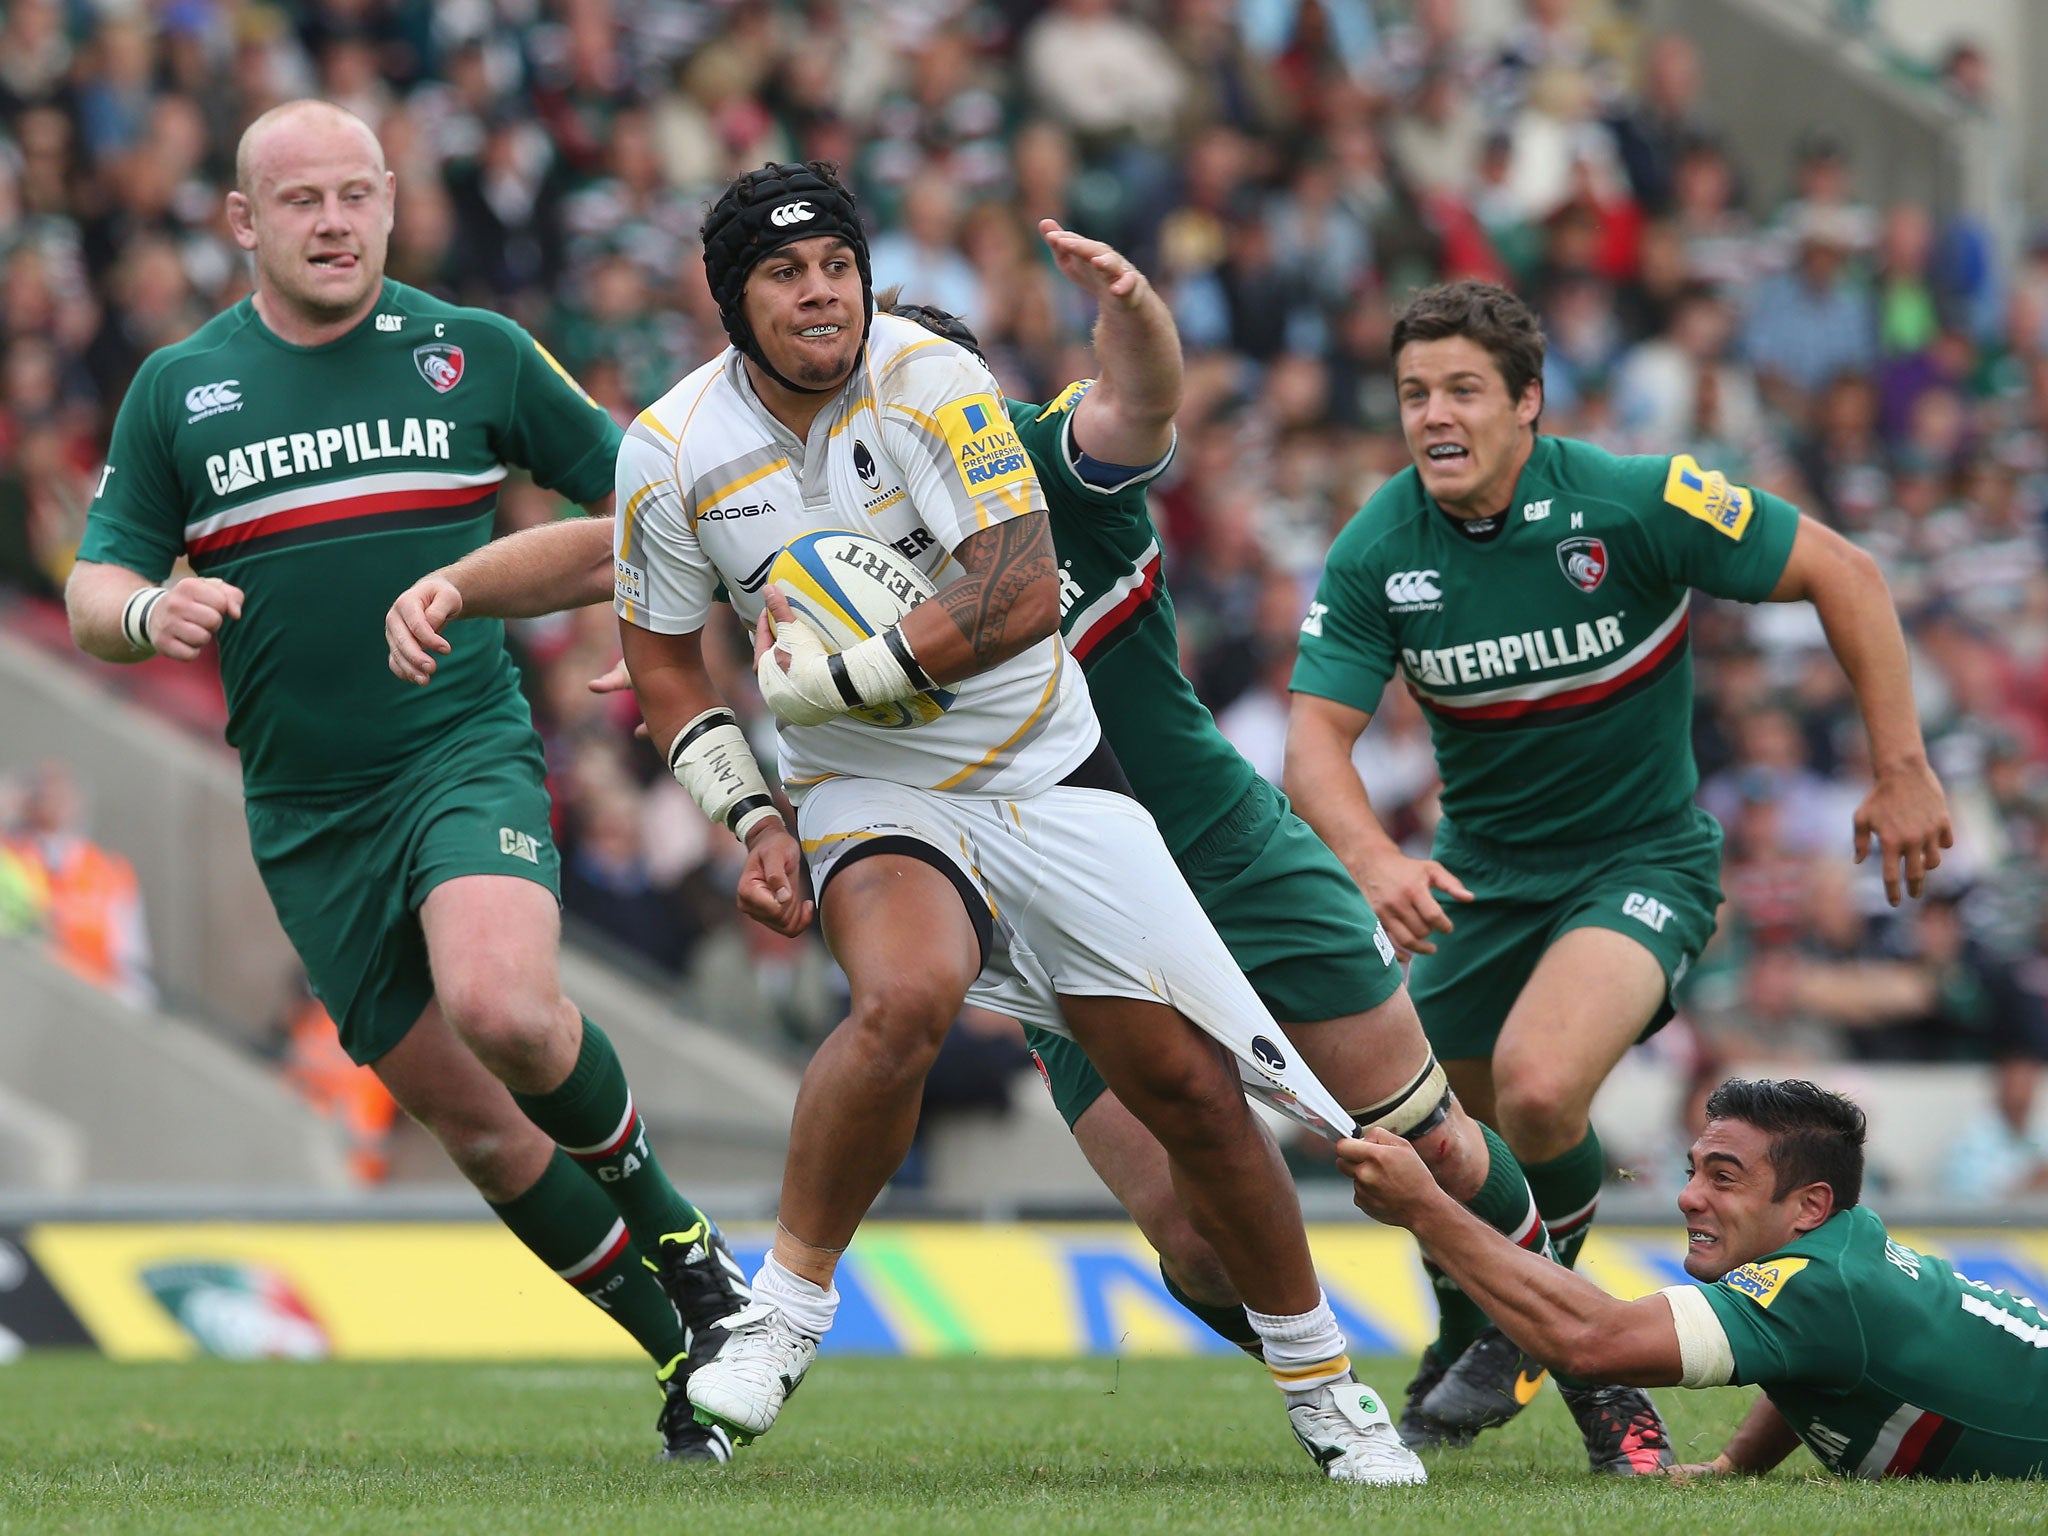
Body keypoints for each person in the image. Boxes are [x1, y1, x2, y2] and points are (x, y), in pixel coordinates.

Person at [388, 224, 1667, 1473]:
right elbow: (624, 544)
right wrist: (470, 584)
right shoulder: (791, 496)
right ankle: (1323, 1376)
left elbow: (1138, 402)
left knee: (1424, 1137)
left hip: (1207, 845)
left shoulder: (1043, 460)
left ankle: (1563, 1361)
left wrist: (1141, 317)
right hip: (965, 850)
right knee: (1187, 1238)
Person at [575, 158, 1417, 1482]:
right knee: (904, 1000)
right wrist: (751, 817)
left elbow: (1022, 591)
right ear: (731, 301)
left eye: (837, 266)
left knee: (1197, 1098)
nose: (820, 294)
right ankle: (780, 1314)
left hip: (1046, 771)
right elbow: (667, 660)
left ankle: (1327, 1390)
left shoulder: (934, 379)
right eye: (786, 274)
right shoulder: (670, 448)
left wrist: (845, 674)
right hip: (871, 792)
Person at [62, 99, 746, 1462]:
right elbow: (94, 585)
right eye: (299, 201)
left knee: (503, 1003)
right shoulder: (179, 390)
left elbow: (643, 496)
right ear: (243, 223)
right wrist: (148, 615)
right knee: (483, 1137)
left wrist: (641, 623)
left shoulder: (472, 352)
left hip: (457, 750)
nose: (332, 223)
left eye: (354, 195)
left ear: (390, 202)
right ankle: (689, 1357)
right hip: (305, 813)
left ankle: (690, 1243)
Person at [1285, 280, 1951, 1449]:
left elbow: (1843, 571)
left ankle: (1526, 1341)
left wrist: (1898, 767)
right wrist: (1371, 853)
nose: (1432, 416)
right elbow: (1312, 740)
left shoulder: (1631, 501)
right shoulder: (1377, 549)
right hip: (1477, 880)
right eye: (1410, 394)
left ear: (1526, 403)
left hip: (1640, 859)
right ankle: (1482, 1332)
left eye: (1460, 391)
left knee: (1540, 1090)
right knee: (1432, 1148)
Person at [1340, 1077, 2048, 1480]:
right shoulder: (1839, 1254)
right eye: (1694, 1171)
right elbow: (1817, 1360)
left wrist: (1426, 1207)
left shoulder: (1820, 1288)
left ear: (1810, 1207)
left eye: (1724, 1178)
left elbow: (1592, 1343)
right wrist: (1735, 1465)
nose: (1688, 1197)